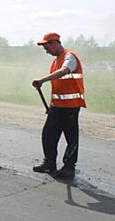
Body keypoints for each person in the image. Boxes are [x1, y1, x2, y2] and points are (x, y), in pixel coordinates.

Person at [31, 32, 86, 179]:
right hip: (57, 106)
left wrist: (42, 80)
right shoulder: (55, 61)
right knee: (48, 134)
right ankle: (49, 163)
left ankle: (69, 167)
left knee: (71, 137)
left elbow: (63, 72)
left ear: (55, 43)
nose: (47, 51)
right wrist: (50, 106)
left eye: (47, 48)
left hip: (71, 107)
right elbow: (58, 87)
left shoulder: (69, 56)